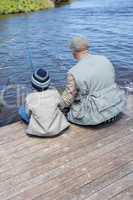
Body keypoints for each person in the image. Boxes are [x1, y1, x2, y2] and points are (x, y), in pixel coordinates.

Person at [59, 36, 126, 126]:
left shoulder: (73, 72)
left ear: (73, 52)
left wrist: (57, 105)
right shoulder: (104, 59)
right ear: (87, 49)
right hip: (116, 107)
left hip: (96, 117)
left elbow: (68, 98)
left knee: (66, 109)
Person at [18, 68, 70, 137]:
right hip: (57, 129)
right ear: (48, 84)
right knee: (57, 108)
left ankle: (35, 125)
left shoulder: (30, 97)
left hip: (37, 131)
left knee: (21, 110)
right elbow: (62, 106)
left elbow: (28, 114)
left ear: (33, 84)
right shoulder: (55, 93)